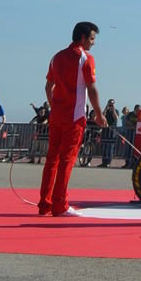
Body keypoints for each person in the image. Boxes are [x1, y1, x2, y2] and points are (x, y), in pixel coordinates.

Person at [38, 21, 106, 217]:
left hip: (57, 116)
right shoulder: (86, 58)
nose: (93, 43)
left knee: (52, 160)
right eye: (92, 39)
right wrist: (99, 115)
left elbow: (47, 87)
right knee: (67, 160)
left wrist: (54, 106)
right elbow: (91, 89)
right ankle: (60, 204)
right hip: (74, 118)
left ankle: (45, 203)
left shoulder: (56, 57)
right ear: (83, 38)